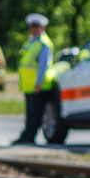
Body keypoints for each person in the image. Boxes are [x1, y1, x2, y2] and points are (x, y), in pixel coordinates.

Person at [13, 13, 55, 145]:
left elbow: (43, 65)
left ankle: (30, 136)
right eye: (32, 27)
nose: (34, 29)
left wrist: (38, 82)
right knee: (30, 112)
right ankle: (27, 135)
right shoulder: (31, 42)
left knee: (35, 113)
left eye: (37, 27)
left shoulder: (43, 44)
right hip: (29, 85)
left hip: (38, 85)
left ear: (43, 28)